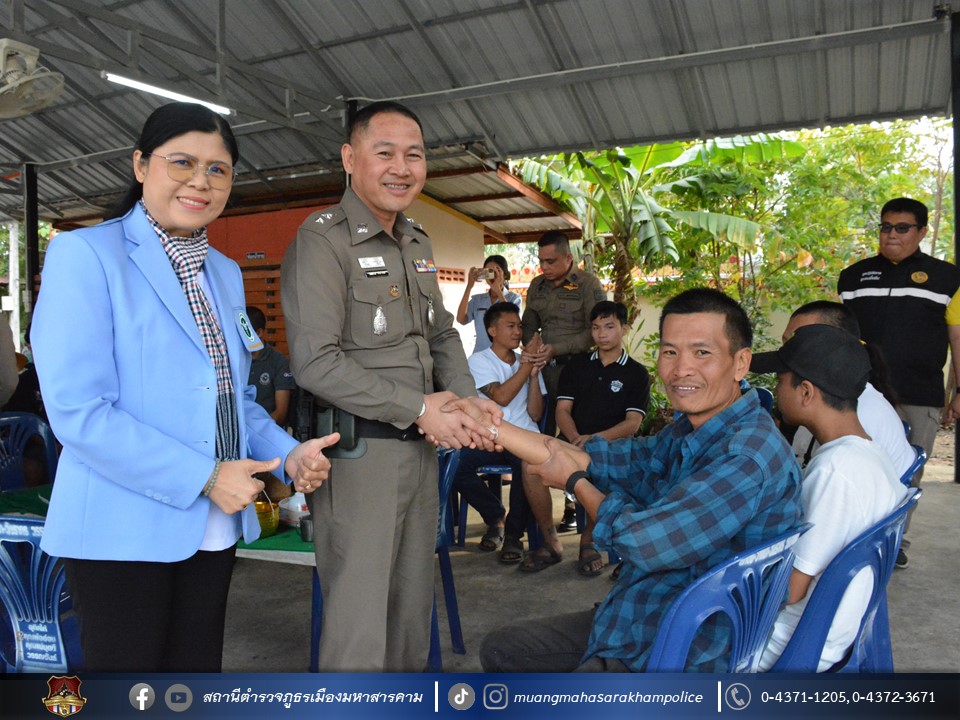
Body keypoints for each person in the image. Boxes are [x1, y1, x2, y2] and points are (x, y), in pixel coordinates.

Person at [30, 102, 339, 673]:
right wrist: (206, 476)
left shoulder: (223, 271)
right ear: (140, 166)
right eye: (182, 163)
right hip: (121, 530)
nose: (201, 181)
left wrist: (286, 454)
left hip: (212, 528)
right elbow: (80, 413)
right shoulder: (87, 255)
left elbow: (232, 399)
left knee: (193, 685)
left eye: (218, 169)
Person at [450, 288, 802, 672]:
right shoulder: (693, 430)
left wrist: (576, 482)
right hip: (640, 613)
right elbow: (611, 458)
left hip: (676, 653)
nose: (681, 369)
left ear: (740, 362)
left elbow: (645, 543)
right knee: (502, 648)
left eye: (702, 353)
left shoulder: (746, 455)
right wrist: (484, 424)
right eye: (670, 352)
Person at [280, 100, 500, 672]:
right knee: (359, 633)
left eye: (414, 155)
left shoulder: (416, 241)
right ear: (350, 158)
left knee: (408, 622)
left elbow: (441, 334)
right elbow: (315, 362)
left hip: (421, 454)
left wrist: (467, 398)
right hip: (360, 458)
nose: (402, 168)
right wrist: (419, 407)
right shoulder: (322, 240)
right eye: (385, 153)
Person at [750, 325, 908, 671]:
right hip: (833, 634)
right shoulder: (869, 454)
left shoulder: (835, 470)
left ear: (806, 392)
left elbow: (790, 590)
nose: (776, 389)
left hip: (792, 645)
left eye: (780, 380)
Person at [838, 197, 960, 566]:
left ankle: (894, 543)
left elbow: (957, 338)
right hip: (861, 393)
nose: (892, 235)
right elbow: (841, 335)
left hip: (919, 394)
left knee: (907, 470)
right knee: (857, 465)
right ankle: (852, 539)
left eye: (902, 228)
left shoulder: (947, 278)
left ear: (921, 232)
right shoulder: (853, 277)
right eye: (886, 227)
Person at [522, 300, 650, 576]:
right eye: (595, 327)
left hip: (612, 447)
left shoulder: (637, 373)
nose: (601, 334)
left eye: (609, 327)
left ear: (624, 329)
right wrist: (575, 437)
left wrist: (595, 439)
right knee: (530, 466)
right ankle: (551, 541)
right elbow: (562, 410)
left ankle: (588, 543)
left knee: (608, 470)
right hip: (572, 441)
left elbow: (632, 423)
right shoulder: (577, 366)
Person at [776, 301, 914, 478]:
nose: (787, 353)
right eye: (786, 343)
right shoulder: (832, 398)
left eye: (800, 342)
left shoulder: (854, 418)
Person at [455, 301, 545, 559]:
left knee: (525, 467)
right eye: (510, 326)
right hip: (490, 438)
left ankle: (514, 538)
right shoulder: (479, 361)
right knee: (455, 464)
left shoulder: (526, 363)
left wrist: (533, 376)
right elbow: (501, 397)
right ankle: (495, 516)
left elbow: (536, 413)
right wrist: (526, 366)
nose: (517, 332)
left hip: (524, 437)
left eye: (519, 326)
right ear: (492, 331)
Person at [522, 230, 605, 437]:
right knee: (542, 430)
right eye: (541, 261)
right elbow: (528, 325)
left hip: (577, 368)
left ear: (568, 257)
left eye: (550, 261)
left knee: (576, 430)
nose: (544, 267)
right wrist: (533, 347)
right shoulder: (537, 285)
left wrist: (556, 349)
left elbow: (596, 330)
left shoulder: (588, 284)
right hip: (543, 370)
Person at [456, 254, 523, 354]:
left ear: (505, 275)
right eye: (488, 271)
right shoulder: (478, 300)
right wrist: (469, 286)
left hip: (507, 355)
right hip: (482, 355)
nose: (492, 275)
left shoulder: (514, 298)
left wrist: (498, 292)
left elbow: (512, 321)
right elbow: (461, 319)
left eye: (496, 271)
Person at [246, 305, 296, 426]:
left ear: (259, 333)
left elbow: (280, 414)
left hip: (266, 430)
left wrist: (255, 428)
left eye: (244, 333)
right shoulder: (232, 361)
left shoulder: (279, 362)